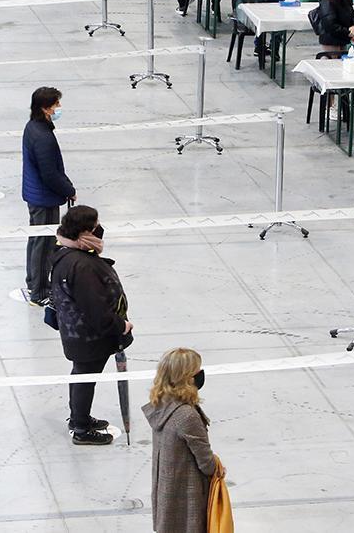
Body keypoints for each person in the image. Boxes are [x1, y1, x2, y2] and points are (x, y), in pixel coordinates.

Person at [50, 205, 132, 446]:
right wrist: (120, 325)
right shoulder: (82, 266)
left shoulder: (66, 253)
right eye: (95, 226)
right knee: (84, 378)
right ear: (84, 231)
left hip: (78, 333)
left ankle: (79, 417)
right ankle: (82, 429)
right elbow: (95, 308)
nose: (99, 230)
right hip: (89, 336)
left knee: (82, 376)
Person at [143, 347, 221, 533]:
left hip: (168, 490)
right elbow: (206, 463)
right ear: (187, 377)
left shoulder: (162, 404)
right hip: (188, 493)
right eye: (197, 371)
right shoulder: (186, 415)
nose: (201, 374)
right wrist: (217, 466)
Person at [22, 87, 76, 308]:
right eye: (56, 105)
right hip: (44, 197)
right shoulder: (43, 137)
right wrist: (68, 190)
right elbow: (49, 174)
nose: (58, 108)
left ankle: (33, 282)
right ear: (45, 108)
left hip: (36, 195)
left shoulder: (33, 127)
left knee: (36, 241)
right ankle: (39, 292)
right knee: (44, 245)